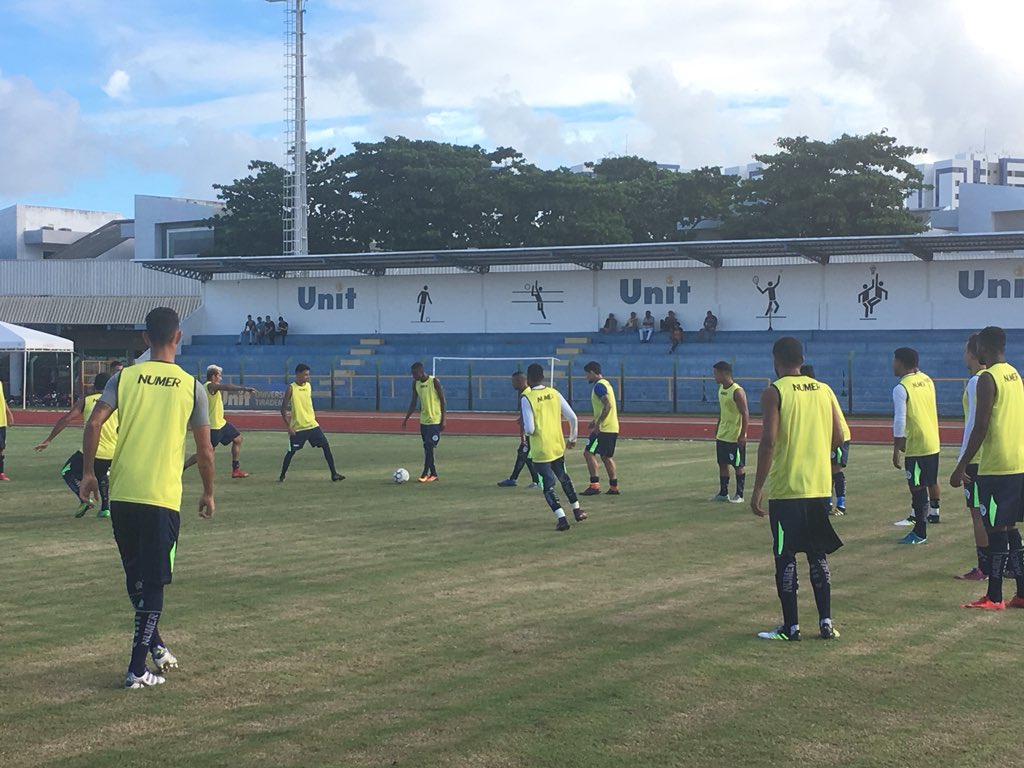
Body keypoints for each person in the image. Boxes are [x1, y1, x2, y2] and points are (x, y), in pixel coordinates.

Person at [79, 306, 215, 689]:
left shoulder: (125, 378)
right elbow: (205, 450)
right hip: (160, 497)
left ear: (144, 338)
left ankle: (155, 647)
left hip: (122, 494)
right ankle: (137, 670)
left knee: (136, 578)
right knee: (153, 584)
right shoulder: (192, 386)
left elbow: (93, 423)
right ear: (178, 337)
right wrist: (207, 491)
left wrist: (89, 474)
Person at [751, 337, 844, 642]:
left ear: (776, 359)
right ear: (802, 359)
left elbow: (768, 441)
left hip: (787, 488)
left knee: (785, 556)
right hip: (818, 488)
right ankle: (826, 622)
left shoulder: (774, 391)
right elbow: (839, 435)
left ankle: (791, 627)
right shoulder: (824, 389)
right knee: (818, 556)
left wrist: (757, 487)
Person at [950, 326, 1024, 610]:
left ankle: (994, 597)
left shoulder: (988, 378)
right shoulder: (1015, 374)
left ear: (984, 346)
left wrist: (962, 465)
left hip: (995, 464)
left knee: (994, 529)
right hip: (1017, 462)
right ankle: (1021, 592)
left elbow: (980, 427)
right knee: (1009, 527)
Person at [34, 372, 119, 517]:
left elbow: (67, 419)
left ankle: (83, 498)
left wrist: (49, 439)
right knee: (101, 475)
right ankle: (105, 508)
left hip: (92, 450)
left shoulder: (87, 401)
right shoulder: (117, 402)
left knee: (67, 471)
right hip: (113, 451)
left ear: (94, 386)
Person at [520, 363, 587, 531]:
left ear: (528, 379)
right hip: (557, 445)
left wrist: (528, 435)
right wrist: (572, 437)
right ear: (543, 377)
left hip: (541, 449)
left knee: (547, 484)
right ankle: (577, 510)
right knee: (563, 477)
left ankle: (562, 518)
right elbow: (573, 417)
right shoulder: (554, 393)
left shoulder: (527, 398)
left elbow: (529, 428)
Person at [891, 347, 941, 544]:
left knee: (917, 488)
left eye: (894, 361)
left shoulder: (901, 388)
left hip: (917, 444)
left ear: (901, 362)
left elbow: (900, 419)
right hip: (933, 441)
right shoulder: (927, 380)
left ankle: (920, 532)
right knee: (931, 481)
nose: (892, 365)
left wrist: (896, 448)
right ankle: (933, 514)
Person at [953, 334, 989, 582]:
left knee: (978, 513)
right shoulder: (993, 379)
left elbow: (976, 424)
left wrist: (962, 462)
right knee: (996, 516)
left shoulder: (977, 382)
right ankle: (1001, 564)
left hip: (976, 460)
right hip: (992, 458)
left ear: (973, 354)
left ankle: (984, 567)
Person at [184, 365, 257, 478]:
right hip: (213, 427)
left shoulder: (210, 387)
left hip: (221, 423)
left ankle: (236, 469)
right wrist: (244, 389)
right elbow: (226, 387)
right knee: (205, 453)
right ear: (213, 376)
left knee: (238, 439)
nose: (221, 378)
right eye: (219, 375)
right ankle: (183, 467)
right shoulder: (209, 386)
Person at [278, 364, 344, 482]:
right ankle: (282, 476)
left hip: (313, 425)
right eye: (305, 374)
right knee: (291, 452)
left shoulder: (308, 386)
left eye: (308, 374)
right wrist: (289, 427)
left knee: (326, 446)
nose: (308, 377)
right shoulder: (291, 388)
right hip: (299, 428)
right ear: (298, 374)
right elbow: (283, 410)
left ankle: (334, 474)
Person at [801, 365, 851, 516]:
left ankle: (840, 505)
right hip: (826, 435)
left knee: (835, 470)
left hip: (837, 435)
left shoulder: (819, 389)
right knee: (826, 470)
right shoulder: (820, 388)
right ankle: (827, 504)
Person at [579, 361, 620, 496]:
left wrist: (597, 424)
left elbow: (607, 405)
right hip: (611, 427)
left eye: (587, 374)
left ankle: (594, 485)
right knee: (606, 457)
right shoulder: (606, 384)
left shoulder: (599, 387)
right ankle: (613, 487)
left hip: (603, 429)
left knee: (588, 453)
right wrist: (594, 421)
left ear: (592, 372)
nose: (586, 378)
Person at [710, 361, 748, 504]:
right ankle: (723, 493)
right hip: (723, 434)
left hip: (734, 435)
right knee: (722, 463)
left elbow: (745, 413)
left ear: (724, 373)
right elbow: (723, 410)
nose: (714, 377)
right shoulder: (721, 389)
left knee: (738, 464)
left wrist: (743, 434)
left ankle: (739, 494)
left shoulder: (737, 391)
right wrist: (718, 425)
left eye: (715, 373)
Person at [402, 362, 447, 482]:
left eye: (414, 373)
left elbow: (442, 400)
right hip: (424, 421)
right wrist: (406, 418)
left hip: (435, 420)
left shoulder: (434, 382)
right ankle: (434, 474)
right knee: (427, 448)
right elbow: (413, 402)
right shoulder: (415, 384)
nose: (413, 376)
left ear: (421, 371)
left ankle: (424, 474)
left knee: (429, 446)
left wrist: (444, 420)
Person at [497, 371, 541, 489]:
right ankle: (514, 479)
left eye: (514, 382)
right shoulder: (529, 392)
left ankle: (537, 481)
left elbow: (525, 420)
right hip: (534, 431)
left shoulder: (525, 396)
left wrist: (523, 437)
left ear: (520, 381)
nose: (512, 385)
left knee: (526, 454)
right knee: (523, 454)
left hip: (531, 433)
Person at [0, 378, 13, 481]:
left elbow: (2, 399)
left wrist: (8, 413)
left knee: (1, 448)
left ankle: (1, 472)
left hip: (1, 421)